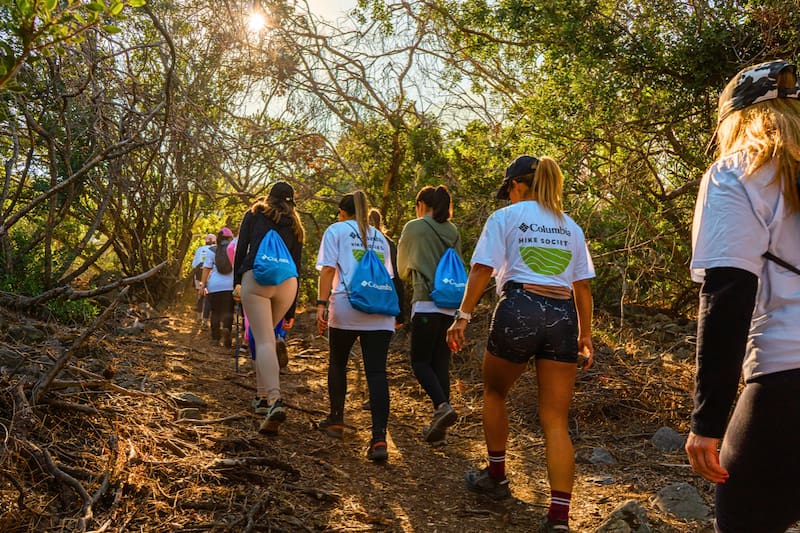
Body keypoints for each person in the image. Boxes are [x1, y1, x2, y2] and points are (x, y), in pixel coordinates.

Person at [446, 155, 594, 532]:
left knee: (495, 392)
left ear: (516, 185)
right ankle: (559, 517)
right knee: (555, 419)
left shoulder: (506, 217)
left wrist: (462, 316)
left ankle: (496, 477)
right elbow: (582, 287)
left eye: (508, 190)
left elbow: (482, 269)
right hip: (563, 315)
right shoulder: (570, 226)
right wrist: (585, 336)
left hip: (520, 307)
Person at [684, 60, 800, 532]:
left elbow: (728, 295)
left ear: (734, 119)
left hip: (786, 378)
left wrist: (707, 421)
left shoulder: (737, 173)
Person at [315, 191, 396, 462]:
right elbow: (388, 275)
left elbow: (328, 270)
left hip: (346, 305)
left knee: (338, 363)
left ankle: (336, 420)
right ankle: (379, 439)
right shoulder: (380, 237)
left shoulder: (336, 230)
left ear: (342, 212)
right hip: (380, 308)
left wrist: (321, 304)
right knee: (377, 372)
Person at [233, 182, 303, 434]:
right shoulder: (295, 224)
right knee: (267, 337)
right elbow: (297, 264)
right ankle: (261, 397)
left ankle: (274, 400)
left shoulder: (254, 213)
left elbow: (241, 251)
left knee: (262, 341)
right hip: (287, 283)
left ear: (269, 197)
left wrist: (237, 284)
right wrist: (292, 310)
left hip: (257, 278)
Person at [397, 185, 462, 442]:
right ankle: (439, 431)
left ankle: (442, 406)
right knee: (440, 363)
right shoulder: (453, 230)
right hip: (451, 305)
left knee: (420, 362)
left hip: (426, 302)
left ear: (421, 205)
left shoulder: (414, 227)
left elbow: (402, 270)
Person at [368, 208, 406, 328]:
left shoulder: (359, 241)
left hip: (366, 295)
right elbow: (396, 277)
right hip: (385, 296)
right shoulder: (388, 243)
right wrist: (400, 313)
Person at [199, 228, 235, 347]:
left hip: (214, 286)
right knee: (229, 311)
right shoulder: (234, 249)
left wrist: (203, 285)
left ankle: (215, 338)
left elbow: (206, 269)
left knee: (215, 312)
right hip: (230, 286)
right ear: (230, 238)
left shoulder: (211, 250)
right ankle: (227, 329)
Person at [191, 233, 216, 322]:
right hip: (211, 274)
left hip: (199, 273)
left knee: (200, 295)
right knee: (208, 296)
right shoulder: (216, 249)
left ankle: (199, 317)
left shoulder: (199, 249)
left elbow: (194, 264)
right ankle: (205, 319)